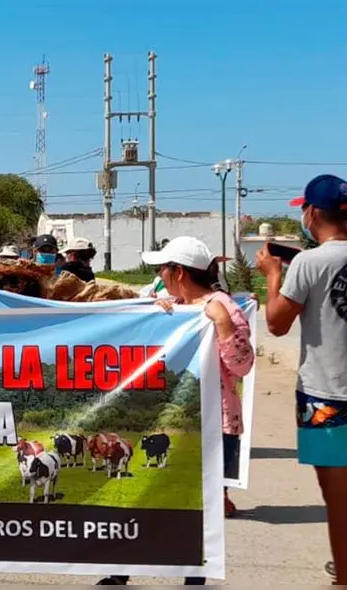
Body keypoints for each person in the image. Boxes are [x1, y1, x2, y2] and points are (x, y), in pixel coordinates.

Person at [98, 236, 254, 586]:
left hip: (212, 425)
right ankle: (121, 570)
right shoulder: (175, 306)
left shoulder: (222, 307)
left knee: (197, 507)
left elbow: (242, 365)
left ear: (178, 271)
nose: (160, 275)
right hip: (165, 421)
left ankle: (192, 575)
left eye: (162, 269)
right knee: (142, 493)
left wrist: (223, 325)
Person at [257, 174, 347, 585]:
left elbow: (276, 323)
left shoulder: (310, 262)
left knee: (338, 498)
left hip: (325, 395)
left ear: (311, 212)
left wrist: (274, 275)